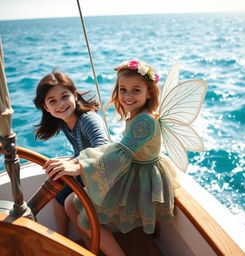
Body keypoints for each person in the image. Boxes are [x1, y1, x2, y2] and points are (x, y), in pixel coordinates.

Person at [43, 60, 204, 256]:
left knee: (80, 209)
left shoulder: (144, 120)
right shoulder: (139, 114)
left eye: (136, 90)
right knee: (71, 203)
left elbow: (121, 151)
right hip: (134, 168)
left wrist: (80, 166)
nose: (127, 96)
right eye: (123, 89)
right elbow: (121, 150)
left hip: (139, 178)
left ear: (149, 92)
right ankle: (93, 249)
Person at [33, 71, 110, 237]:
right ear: (46, 107)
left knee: (71, 204)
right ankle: (62, 239)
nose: (60, 104)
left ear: (75, 95)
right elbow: (80, 151)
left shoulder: (88, 119)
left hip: (107, 172)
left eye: (64, 96)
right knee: (56, 187)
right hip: (90, 171)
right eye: (52, 101)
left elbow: (104, 149)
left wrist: (74, 164)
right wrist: (70, 162)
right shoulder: (63, 122)